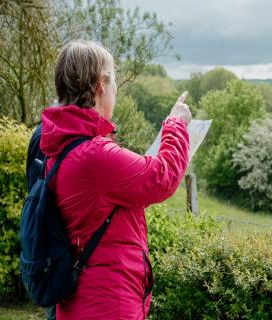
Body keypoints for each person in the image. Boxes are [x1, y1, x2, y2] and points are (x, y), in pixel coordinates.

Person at [32, 40, 191, 319]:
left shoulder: (61, 145)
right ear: (100, 85)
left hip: (82, 299)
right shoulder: (94, 156)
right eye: (114, 77)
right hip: (106, 303)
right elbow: (163, 177)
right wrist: (176, 124)